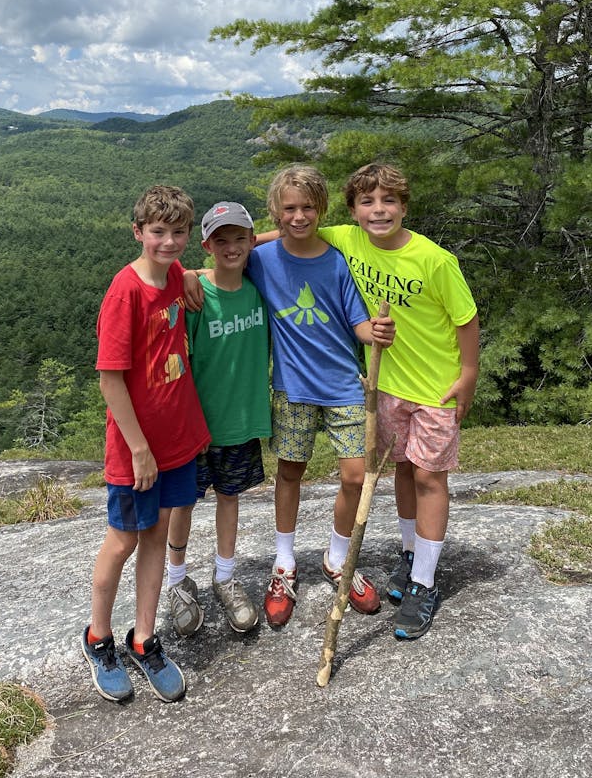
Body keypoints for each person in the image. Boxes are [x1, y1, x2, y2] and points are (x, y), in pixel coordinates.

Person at [215, 165, 394, 628]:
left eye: (308, 207)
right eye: (289, 208)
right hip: (292, 387)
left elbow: (355, 322)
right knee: (290, 472)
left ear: (322, 208)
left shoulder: (337, 261)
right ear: (276, 211)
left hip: (343, 385)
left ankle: (336, 559)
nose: (299, 216)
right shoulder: (262, 259)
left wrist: (373, 333)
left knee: (355, 475)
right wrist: (192, 280)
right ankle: (284, 563)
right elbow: (226, 259)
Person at [315, 163, 479, 640]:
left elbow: (466, 319)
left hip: (435, 389)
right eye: (367, 201)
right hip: (387, 386)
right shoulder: (349, 238)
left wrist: (468, 375)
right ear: (353, 211)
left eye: (389, 200)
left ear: (404, 207)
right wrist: (219, 261)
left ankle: (424, 582)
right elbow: (291, 230)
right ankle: (410, 553)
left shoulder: (434, 260)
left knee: (429, 476)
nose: (378, 210)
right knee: (404, 469)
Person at [81, 185, 210, 703]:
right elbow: (110, 378)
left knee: (156, 536)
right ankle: (98, 638)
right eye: (158, 232)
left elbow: (217, 260)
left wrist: (192, 273)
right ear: (138, 232)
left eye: (179, 232)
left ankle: (144, 638)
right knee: (123, 541)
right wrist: (138, 449)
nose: (169, 241)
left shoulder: (176, 275)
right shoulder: (125, 292)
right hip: (138, 450)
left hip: (177, 440)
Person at [166, 202, 271, 635]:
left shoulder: (258, 287)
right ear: (206, 245)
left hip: (239, 421)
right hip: (197, 426)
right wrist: (187, 273)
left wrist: (193, 269)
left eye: (240, 238)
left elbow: (288, 237)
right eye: (220, 240)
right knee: (183, 502)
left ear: (252, 241)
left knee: (230, 497)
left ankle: (225, 576)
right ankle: (176, 581)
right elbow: (179, 365)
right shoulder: (195, 298)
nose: (231, 247)